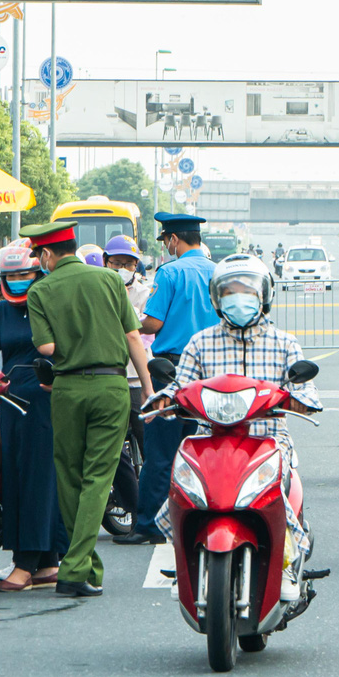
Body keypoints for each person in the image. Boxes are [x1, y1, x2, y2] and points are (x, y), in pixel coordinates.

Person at [145, 255, 321, 603]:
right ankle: (183, 556)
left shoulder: (284, 343)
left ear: (263, 296)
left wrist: (301, 399)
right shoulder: (200, 342)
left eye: (247, 290)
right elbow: (180, 386)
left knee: (279, 488)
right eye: (230, 291)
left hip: (268, 438)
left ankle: (285, 561)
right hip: (209, 439)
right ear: (217, 298)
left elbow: (306, 389)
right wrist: (163, 401)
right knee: (182, 486)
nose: (238, 298)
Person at [24, 219, 155, 597]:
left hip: (66, 388)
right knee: (100, 476)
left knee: (69, 476)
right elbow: (134, 336)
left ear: (47, 253)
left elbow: (47, 349)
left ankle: (82, 565)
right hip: (112, 385)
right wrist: (146, 387)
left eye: (40, 256)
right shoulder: (112, 281)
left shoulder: (41, 292)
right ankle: (78, 568)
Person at [120, 210, 220, 545]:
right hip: (214, 371)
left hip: (173, 370)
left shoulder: (171, 272)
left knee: (161, 450)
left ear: (174, 239)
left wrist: (131, 321)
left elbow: (154, 323)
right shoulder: (219, 273)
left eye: (166, 241)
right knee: (207, 446)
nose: (166, 247)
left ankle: (149, 524)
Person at [0, 243, 69, 590]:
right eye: (10, 276)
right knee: (15, 479)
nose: (16, 282)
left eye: (23, 275)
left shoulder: (52, 307)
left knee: (38, 481)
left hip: (45, 402)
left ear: (38, 275)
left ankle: (25, 563)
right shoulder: (0, 313)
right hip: (10, 404)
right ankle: (46, 564)